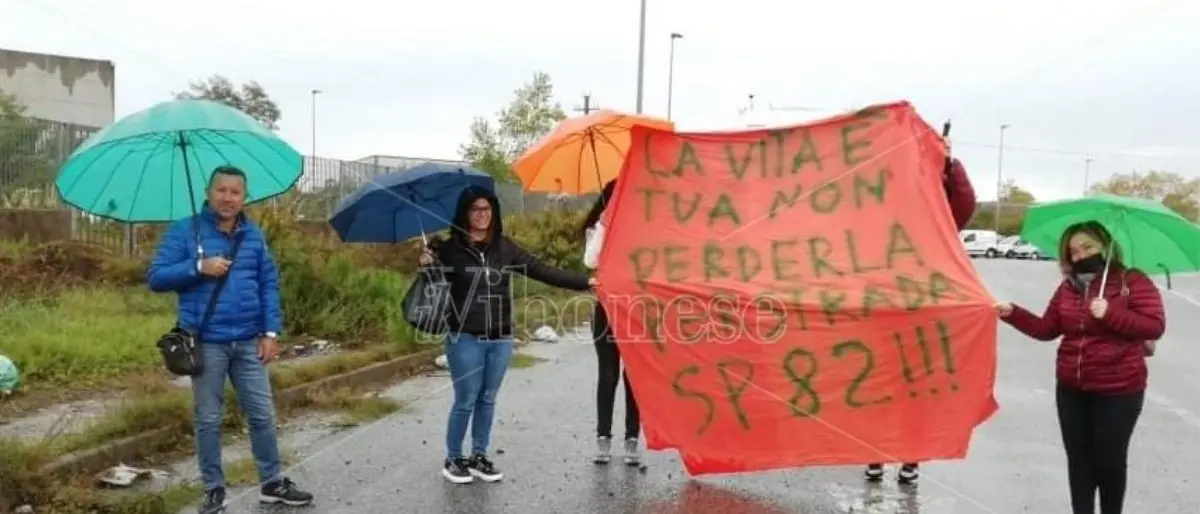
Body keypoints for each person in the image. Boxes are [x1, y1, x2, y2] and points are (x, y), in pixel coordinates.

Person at [147, 166, 313, 514]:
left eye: (234, 192)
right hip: (206, 342)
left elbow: (268, 283)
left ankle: (272, 483)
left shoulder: (253, 235)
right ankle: (213, 490)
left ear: (244, 198)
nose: (227, 197)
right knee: (208, 419)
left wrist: (270, 332)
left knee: (263, 415)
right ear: (209, 193)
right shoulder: (185, 231)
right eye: (221, 190)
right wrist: (197, 267)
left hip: (250, 342)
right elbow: (157, 277)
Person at [420, 185, 596, 484]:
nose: (482, 215)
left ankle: (478, 455)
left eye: (487, 209)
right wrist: (427, 266)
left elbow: (541, 270)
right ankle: (453, 458)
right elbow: (432, 290)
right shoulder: (449, 249)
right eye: (475, 209)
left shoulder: (505, 247)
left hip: (500, 337)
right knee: (466, 398)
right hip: (464, 336)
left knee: (488, 398)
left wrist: (585, 281)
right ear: (465, 213)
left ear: (495, 212)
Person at [995, 221, 1164, 514]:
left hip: (1119, 390)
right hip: (1072, 388)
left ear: (1105, 246)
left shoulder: (1131, 281)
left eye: (1087, 247)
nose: (1079, 255)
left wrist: (1110, 313)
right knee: (1079, 460)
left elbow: (1155, 325)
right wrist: (1013, 313)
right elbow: (1047, 328)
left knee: (1109, 460)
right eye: (1073, 251)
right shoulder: (1068, 287)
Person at [865, 155, 977, 485]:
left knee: (916, 395)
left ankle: (910, 458)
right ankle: (874, 454)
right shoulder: (880, 223)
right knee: (880, 392)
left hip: (925, 323)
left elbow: (965, 205)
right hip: (884, 318)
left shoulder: (939, 223)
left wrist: (952, 166)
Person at [580, 179, 642, 465]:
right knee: (608, 375)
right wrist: (605, 224)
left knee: (634, 377)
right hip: (607, 310)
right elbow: (590, 261)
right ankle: (602, 437)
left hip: (637, 311)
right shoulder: (597, 227)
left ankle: (632, 437)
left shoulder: (641, 226)